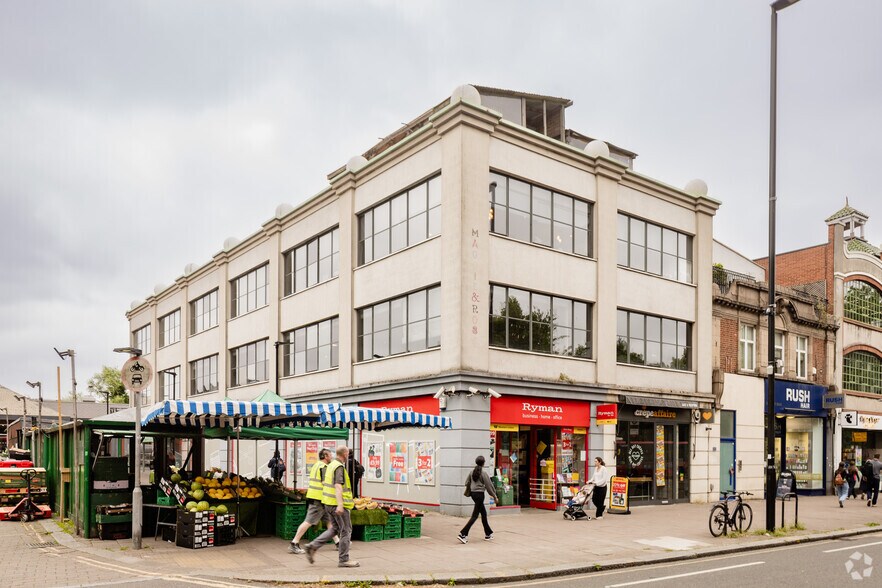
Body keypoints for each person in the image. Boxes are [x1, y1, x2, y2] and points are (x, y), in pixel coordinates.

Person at [305, 446, 359, 568]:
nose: (348, 455)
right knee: (346, 530)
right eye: (348, 453)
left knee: (335, 529)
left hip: (328, 502)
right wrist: (340, 505)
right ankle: (344, 559)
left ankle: (312, 546)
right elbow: (338, 486)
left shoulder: (331, 465)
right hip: (338, 504)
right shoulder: (339, 467)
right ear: (345, 454)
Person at [289, 449, 338, 554]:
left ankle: (338, 542)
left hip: (318, 498)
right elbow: (325, 483)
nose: (331, 457)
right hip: (318, 499)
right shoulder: (324, 467)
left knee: (329, 521)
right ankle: (294, 543)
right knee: (309, 521)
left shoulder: (316, 465)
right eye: (330, 455)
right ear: (325, 456)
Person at [458, 455, 498, 544]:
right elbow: (489, 486)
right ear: (483, 463)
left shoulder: (471, 472)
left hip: (473, 495)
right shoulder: (483, 473)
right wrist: (494, 496)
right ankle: (463, 534)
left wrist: (473, 487)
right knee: (475, 516)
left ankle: (488, 533)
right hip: (480, 495)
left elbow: (466, 482)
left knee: (483, 514)